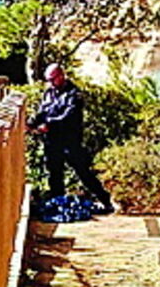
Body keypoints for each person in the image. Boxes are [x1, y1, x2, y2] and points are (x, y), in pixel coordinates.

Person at [28, 63, 114, 214]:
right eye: (48, 80)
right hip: (52, 140)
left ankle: (104, 199)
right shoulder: (49, 93)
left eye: (53, 79)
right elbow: (42, 111)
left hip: (69, 140)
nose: (51, 83)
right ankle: (57, 203)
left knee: (82, 171)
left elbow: (68, 117)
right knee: (54, 173)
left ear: (61, 76)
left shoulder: (74, 94)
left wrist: (49, 125)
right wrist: (30, 123)